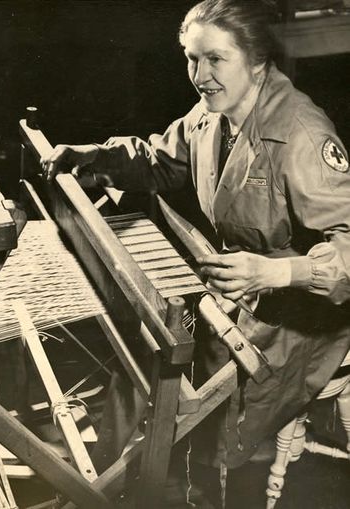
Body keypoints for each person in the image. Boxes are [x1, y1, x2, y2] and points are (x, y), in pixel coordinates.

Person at [42, 0, 350, 468]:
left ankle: (177, 475)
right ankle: (99, 471)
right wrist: (94, 156)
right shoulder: (214, 113)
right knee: (151, 345)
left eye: (215, 59)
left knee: (205, 411)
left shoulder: (301, 134)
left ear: (256, 60)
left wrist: (275, 271)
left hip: (302, 316)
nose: (200, 74)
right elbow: (160, 160)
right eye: (191, 57)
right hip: (241, 293)